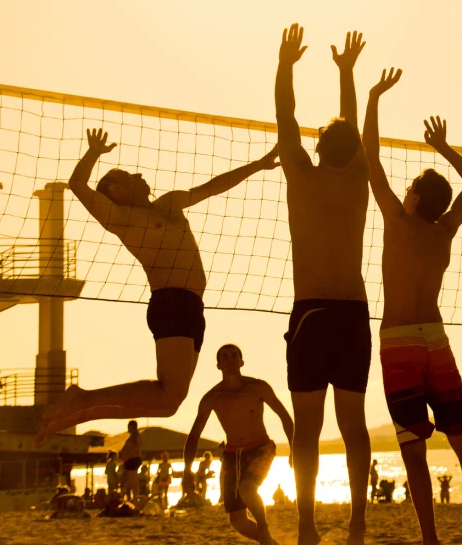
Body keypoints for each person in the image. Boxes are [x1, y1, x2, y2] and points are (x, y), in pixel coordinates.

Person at [35, 128, 279, 442]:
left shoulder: (168, 204)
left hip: (193, 306)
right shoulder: (120, 217)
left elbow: (214, 186)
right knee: (169, 396)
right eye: (127, 174)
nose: (137, 173)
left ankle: (80, 409)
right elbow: (77, 184)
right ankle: (82, 399)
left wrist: (258, 165)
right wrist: (94, 152)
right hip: (171, 302)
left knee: (169, 404)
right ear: (116, 189)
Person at [363, 68, 462, 545]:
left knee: (414, 449)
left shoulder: (398, 222)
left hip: (399, 341)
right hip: (435, 340)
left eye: (409, 187)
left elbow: (369, 155)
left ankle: (431, 539)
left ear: (415, 196)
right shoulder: (443, 232)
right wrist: (443, 148)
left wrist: (374, 97)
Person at [275, 25, 371, 545]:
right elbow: (351, 126)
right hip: (352, 312)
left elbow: (285, 117)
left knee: (306, 429)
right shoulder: (358, 180)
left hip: (311, 311)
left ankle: (308, 527)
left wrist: (285, 64)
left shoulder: (301, 176)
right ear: (351, 149)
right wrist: (347, 72)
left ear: (317, 147)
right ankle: (357, 524)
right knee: (353, 425)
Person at [183, 343, 294, 545]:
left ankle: (264, 530)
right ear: (218, 365)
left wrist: (294, 450)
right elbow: (194, 435)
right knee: (238, 521)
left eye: (234, 355)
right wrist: (187, 470)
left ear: (242, 361)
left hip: (261, 447)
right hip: (232, 455)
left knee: (247, 490)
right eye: (224, 357)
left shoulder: (257, 387)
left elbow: (285, 417)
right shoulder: (212, 398)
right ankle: (270, 542)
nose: (230, 359)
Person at [118, 420, 142, 503]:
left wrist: (126, 458)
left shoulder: (134, 437)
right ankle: (133, 497)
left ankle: (135, 498)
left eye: (129, 426)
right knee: (129, 480)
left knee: (133, 481)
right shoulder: (135, 436)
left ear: (132, 427)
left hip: (132, 460)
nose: (127, 427)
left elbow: (132, 450)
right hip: (133, 460)